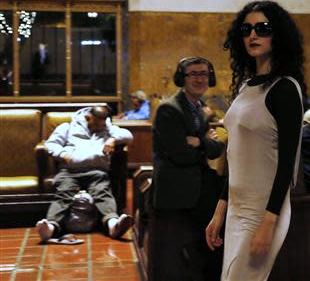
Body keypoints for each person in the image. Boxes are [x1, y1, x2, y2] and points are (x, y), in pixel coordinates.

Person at [205, 0, 306, 280]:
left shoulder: (285, 89)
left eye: (262, 28)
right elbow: (235, 155)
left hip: (263, 211)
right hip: (237, 208)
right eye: (247, 29)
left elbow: (287, 164)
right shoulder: (245, 86)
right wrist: (220, 210)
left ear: (278, 35)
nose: (253, 35)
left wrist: (269, 220)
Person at [151, 57, 225, 280]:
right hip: (177, 190)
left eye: (203, 73)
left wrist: (200, 142)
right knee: (177, 261)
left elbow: (215, 150)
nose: (200, 78)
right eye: (193, 74)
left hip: (197, 185)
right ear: (181, 79)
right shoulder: (169, 109)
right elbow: (181, 155)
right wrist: (206, 143)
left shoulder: (199, 107)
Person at [36, 106, 134, 242]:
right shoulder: (67, 127)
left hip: (97, 171)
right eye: (95, 124)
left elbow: (129, 136)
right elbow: (51, 144)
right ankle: (51, 227)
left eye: (101, 125)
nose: (98, 128)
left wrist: (113, 139)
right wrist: (62, 154)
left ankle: (113, 225)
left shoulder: (108, 128)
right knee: (64, 194)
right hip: (70, 171)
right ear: (88, 117)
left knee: (102, 192)